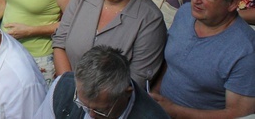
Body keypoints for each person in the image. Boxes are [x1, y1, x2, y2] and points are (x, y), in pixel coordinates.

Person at [151, 0, 255, 117]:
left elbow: (239, 114)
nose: (196, 0)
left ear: (232, 4)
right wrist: (154, 95)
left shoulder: (245, 51)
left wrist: (176, 112)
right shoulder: (185, 13)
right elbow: (171, 64)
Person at [36, 46, 170, 119]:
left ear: (127, 92)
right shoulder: (64, 87)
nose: (91, 115)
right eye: (83, 104)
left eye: (101, 111)